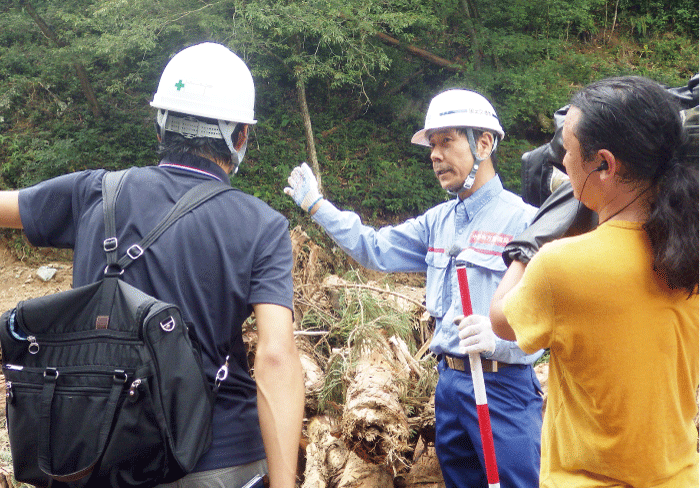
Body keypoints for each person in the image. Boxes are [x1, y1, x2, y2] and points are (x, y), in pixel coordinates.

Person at [0, 42, 304, 488]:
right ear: (240, 137)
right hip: (217, 457)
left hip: (99, 452)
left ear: (160, 125)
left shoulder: (93, 194)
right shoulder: (263, 226)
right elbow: (276, 358)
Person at [285, 89, 544, 487]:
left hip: (502, 387)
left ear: (485, 143)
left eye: (446, 141)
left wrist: (500, 337)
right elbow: (374, 249)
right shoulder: (437, 223)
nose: (435, 155)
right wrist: (319, 206)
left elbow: (552, 316)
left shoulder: (526, 222)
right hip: (452, 387)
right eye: (432, 145)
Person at [486, 75, 699, 487]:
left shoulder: (561, 267)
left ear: (604, 163)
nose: (562, 164)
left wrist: (539, 235)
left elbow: (500, 319)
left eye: (567, 151)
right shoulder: (689, 249)